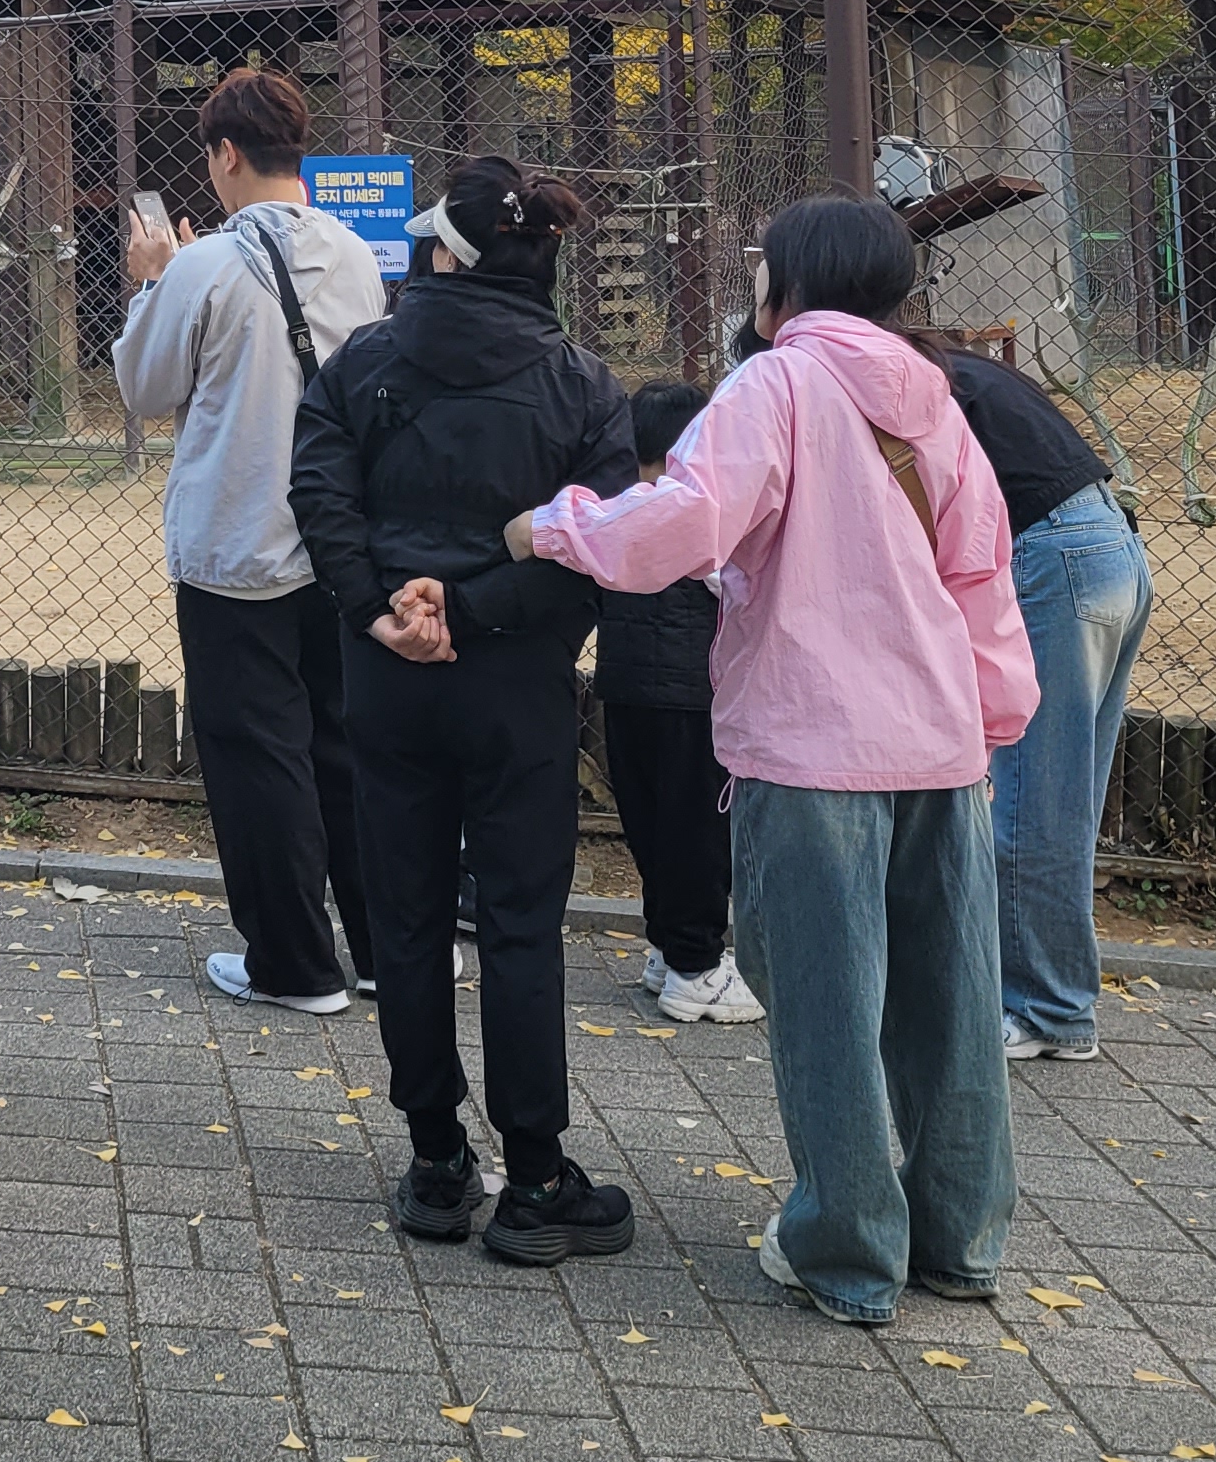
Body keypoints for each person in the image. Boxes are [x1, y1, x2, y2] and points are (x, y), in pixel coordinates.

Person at [512, 193, 1037, 1326]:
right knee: (950, 1003)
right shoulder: (935, 400)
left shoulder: (776, 384)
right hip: (942, 748)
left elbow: (686, 522)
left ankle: (846, 1252)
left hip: (812, 750)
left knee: (825, 1006)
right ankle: (960, 1238)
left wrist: (555, 524)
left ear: (790, 281)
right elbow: (981, 572)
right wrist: (991, 721)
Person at [290, 156, 637, 1262]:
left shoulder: (365, 360)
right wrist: (476, 606)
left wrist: (379, 607)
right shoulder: (583, 386)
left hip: (389, 674)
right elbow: (599, 544)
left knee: (406, 917)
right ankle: (534, 1176)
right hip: (517, 681)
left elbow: (319, 492)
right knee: (522, 923)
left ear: (447, 254)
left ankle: (436, 1159)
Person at [113, 67, 382, 1015]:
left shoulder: (205, 266)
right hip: (338, 543)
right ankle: (383, 948)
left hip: (237, 544)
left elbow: (145, 388)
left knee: (257, 752)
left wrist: (153, 281)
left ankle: (294, 963)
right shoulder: (356, 256)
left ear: (226, 154)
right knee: (345, 744)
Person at [951, 349, 1149, 1061]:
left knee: (1030, 801)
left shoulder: (876, 383)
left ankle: (1048, 1009)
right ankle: (1050, 996)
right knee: (1060, 799)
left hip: (1051, 555)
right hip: (1108, 541)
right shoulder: (949, 363)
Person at [597, 377, 761, 1027]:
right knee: (698, 831)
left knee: (649, 824)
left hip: (623, 688)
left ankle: (666, 948)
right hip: (696, 696)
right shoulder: (700, 511)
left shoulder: (614, 508)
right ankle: (697, 966)